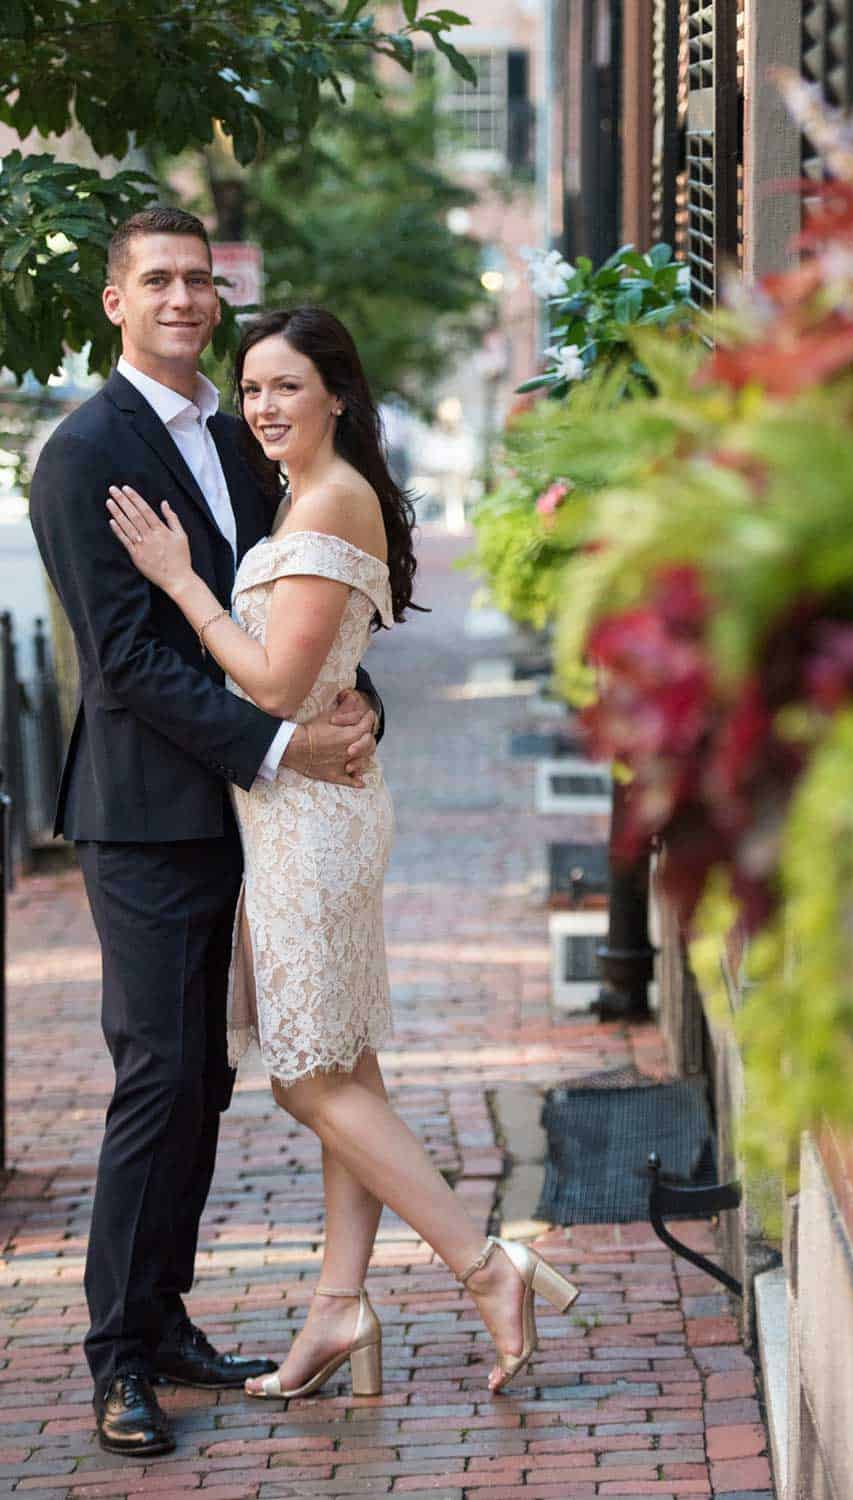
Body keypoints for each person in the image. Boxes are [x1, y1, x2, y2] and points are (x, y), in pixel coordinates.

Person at [108, 304, 580, 1410]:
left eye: (286, 387)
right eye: (253, 389)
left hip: (308, 825)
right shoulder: (305, 495)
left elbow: (273, 685)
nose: (265, 407)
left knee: (310, 1076)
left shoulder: (328, 500)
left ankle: (485, 1266)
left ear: (336, 396)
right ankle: (337, 1308)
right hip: (297, 808)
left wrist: (179, 579)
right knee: (344, 1068)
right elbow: (316, 674)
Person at [28, 208, 385, 1460]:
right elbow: (123, 662)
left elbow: (292, 610)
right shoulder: (84, 455)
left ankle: (165, 1317)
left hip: (254, 812)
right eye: (158, 280)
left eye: (200, 279)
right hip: (149, 817)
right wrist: (284, 746)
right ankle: (117, 1360)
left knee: (211, 1076)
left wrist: (351, 700)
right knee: (158, 1074)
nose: (184, 297)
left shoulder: (243, 441)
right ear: (116, 301)